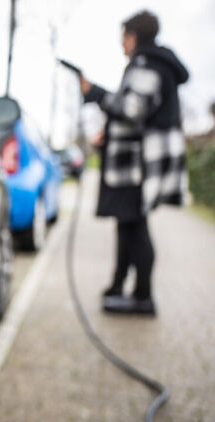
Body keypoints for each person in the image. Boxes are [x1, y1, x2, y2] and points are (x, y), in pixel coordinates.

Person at [79, 10, 189, 315]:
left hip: (137, 164)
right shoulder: (152, 64)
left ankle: (143, 297)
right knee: (128, 226)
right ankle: (120, 287)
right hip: (137, 161)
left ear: (133, 36)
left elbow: (132, 108)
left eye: (123, 37)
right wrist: (109, 133)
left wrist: (95, 93)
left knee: (135, 228)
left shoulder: (146, 63)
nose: (121, 45)